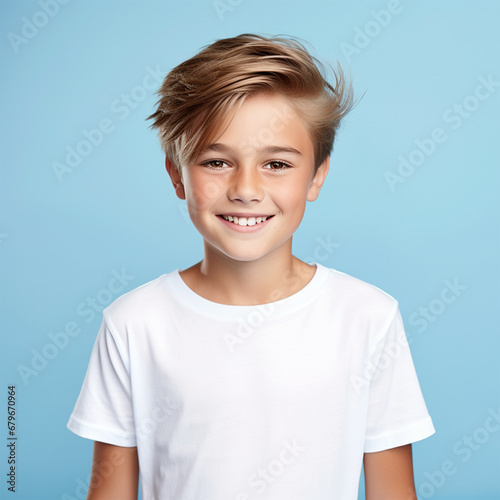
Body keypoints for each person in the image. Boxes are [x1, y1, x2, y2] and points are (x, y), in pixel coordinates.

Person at [67, 33, 435, 500]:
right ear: (177, 174)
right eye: (217, 161)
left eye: (277, 164)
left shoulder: (368, 317)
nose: (245, 188)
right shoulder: (133, 323)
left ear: (317, 176)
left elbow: (394, 492)